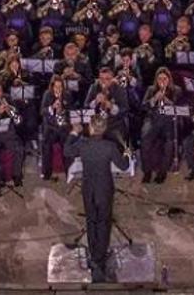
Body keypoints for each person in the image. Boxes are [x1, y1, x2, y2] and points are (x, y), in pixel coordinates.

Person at [64, 116, 131, 284]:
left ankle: (94, 255)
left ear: (91, 128)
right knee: (104, 221)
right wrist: (127, 154)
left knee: (91, 220)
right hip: (105, 189)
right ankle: (100, 258)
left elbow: (67, 151)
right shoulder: (109, 147)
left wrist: (73, 132)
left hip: (88, 188)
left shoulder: (83, 144)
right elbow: (123, 166)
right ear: (104, 129)